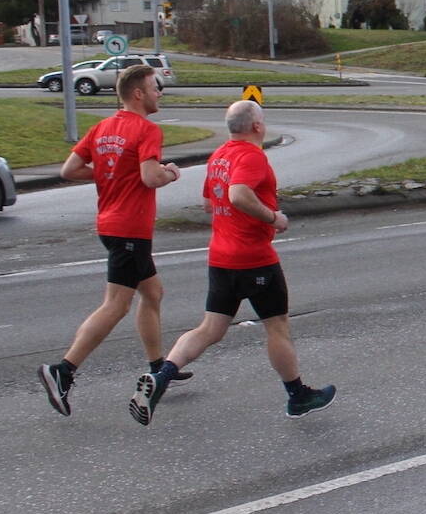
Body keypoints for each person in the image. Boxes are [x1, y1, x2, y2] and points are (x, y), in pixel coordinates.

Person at [129, 100, 335, 425]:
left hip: (221, 257)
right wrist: (272, 218)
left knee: (210, 328)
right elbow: (238, 194)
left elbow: (210, 204)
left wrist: (237, 220)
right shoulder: (251, 156)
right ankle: (298, 396)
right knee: (277, 326)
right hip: (254, 258)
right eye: (263, 120)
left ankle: (163, 375)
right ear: (256, 126)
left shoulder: (219, 155)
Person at [38, 64, 190, 416]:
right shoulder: (146, 129)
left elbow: (69, 170)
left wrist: (110, 175)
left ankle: (158, 369)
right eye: (156, 87)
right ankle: (63, 371)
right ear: (138, 93)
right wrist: (171, 172)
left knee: (152, 293)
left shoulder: (101, 128)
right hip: (130, 229)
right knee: (116, 305)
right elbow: (151, 177)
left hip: (110, 223)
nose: (160, 93)